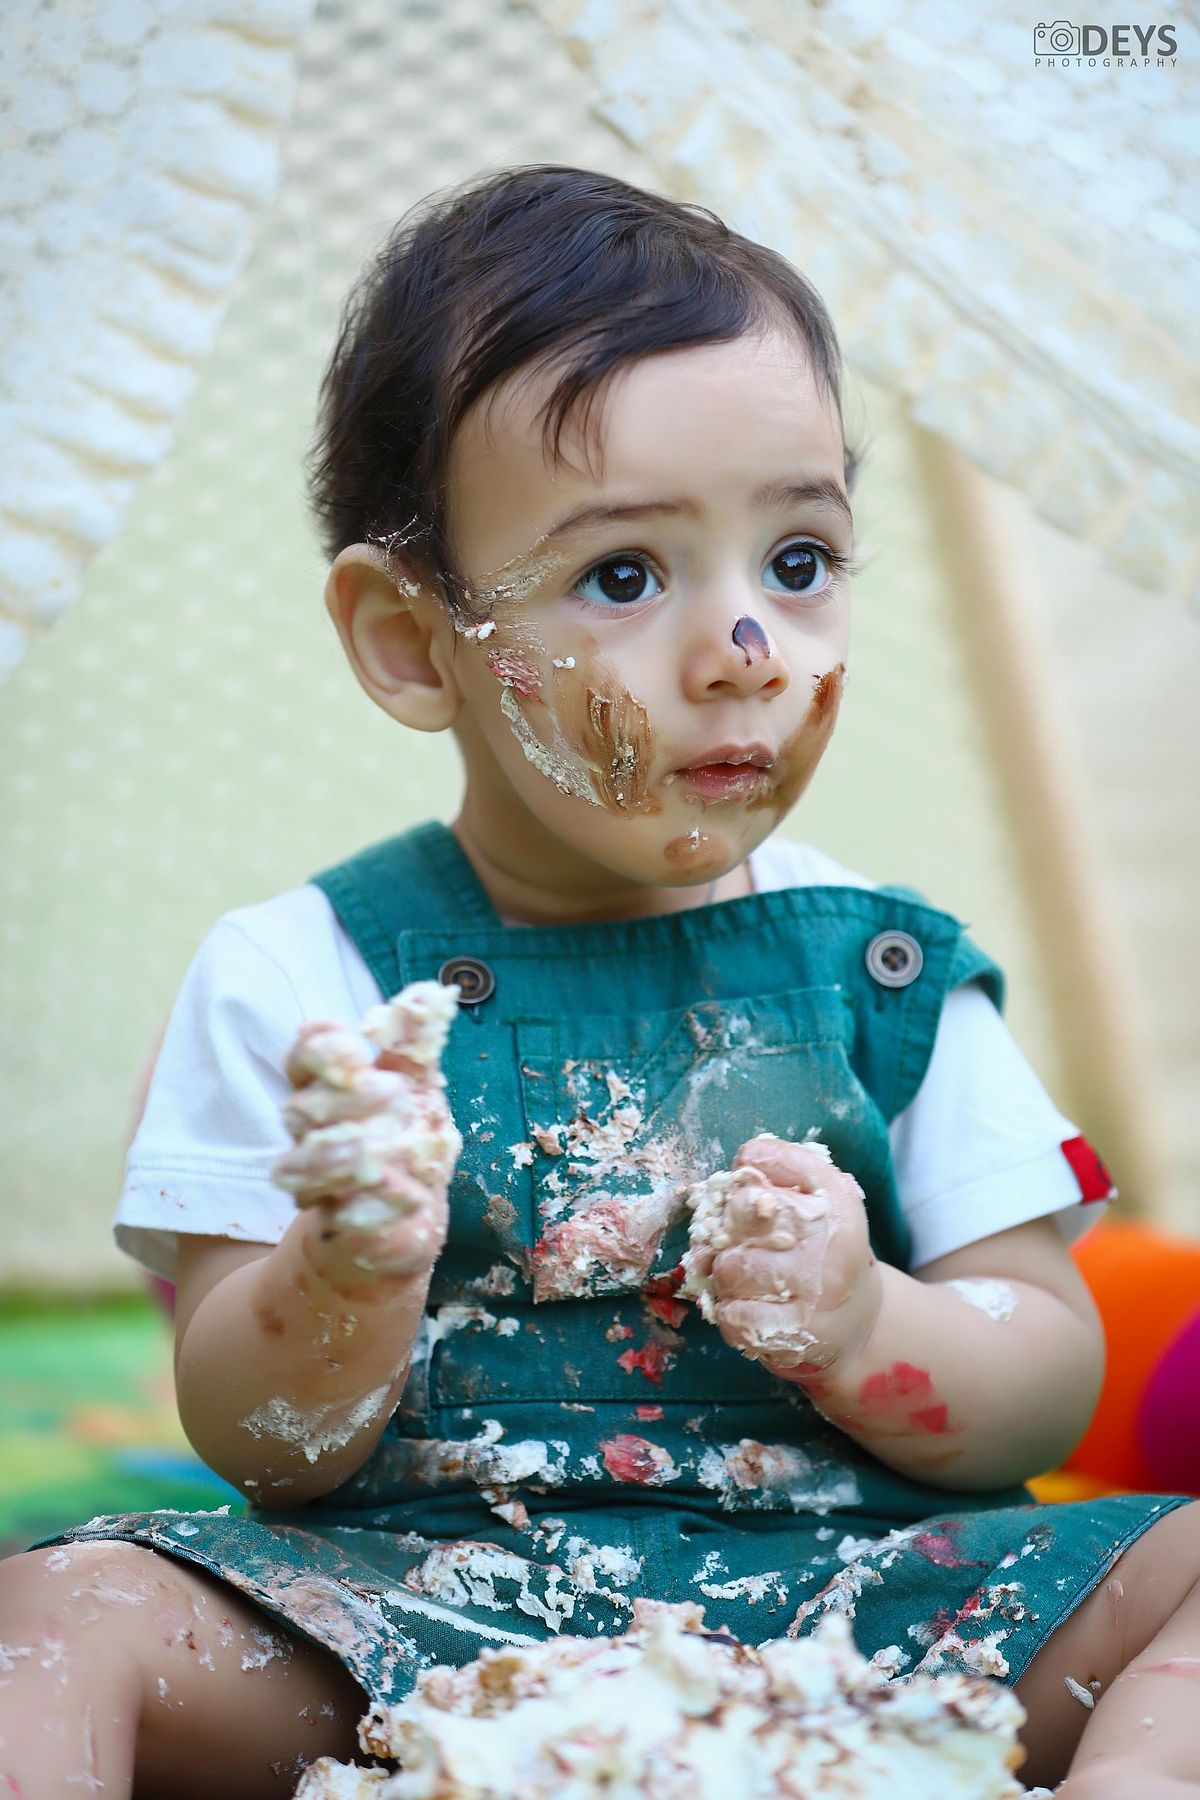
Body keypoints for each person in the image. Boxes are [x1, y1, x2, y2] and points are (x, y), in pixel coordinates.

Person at [1, 163, 1195, 1800]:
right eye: (626, 576)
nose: (745, 649)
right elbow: (253, 1430)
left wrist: (869, 1323)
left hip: (862, 1619)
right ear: (415, 643)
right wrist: (345, 1271)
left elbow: (1040, 1385)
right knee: (53, 1614)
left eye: (799, 557)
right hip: (410, 1627)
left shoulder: (889, 968)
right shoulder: (302, 977)